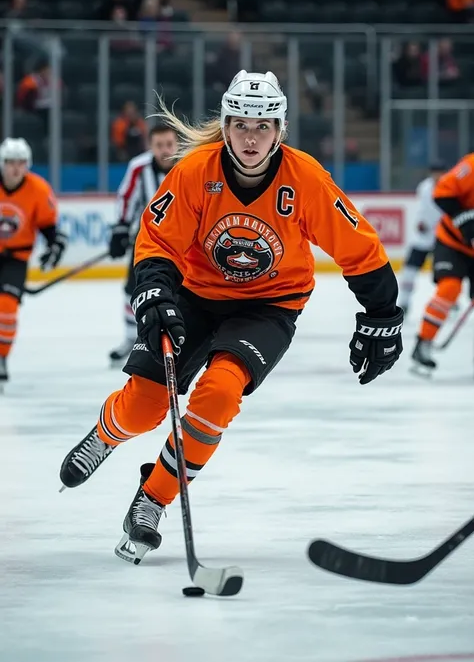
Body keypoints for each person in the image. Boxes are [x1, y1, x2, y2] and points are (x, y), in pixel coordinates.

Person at [59, 70, 403, 563]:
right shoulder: (196, 170)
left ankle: (152, 499)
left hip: (270, 304)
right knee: (144, 407)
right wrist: (154, 289)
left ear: (280, 130)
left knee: (219, 393)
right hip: (197, 295)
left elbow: (358, 247)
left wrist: (383, 313)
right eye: (241, 123)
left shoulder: (304, 178)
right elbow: (158, 240)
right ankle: (106, 434)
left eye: (263, 126)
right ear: (225, 124)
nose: (250, 136)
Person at [108, 122, 178, 366]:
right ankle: (132, 338)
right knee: (132, 288)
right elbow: (126, 198)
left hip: (185, 241)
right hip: (147, 239)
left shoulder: (189, 166)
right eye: (159, 145)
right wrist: (120, 229)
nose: (165, 150)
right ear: (151, 146)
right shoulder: (139, 168)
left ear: (177, 144)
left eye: (169, 144)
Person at [0, 137, 67, 385]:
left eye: (21, 162)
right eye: (10, 162)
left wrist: (54, 246)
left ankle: (1, 357)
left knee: (6, 309)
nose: (15, 168)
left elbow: (49, 227)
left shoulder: (38, 189)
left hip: (17, 258)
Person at [412, 153, 474, 373]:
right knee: (450, 288)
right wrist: (464, 220)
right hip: (453, 242)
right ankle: (423, 343)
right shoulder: (470, 166)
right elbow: (443, 193)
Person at [398, 160, 447, 316]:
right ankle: (404, 302)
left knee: (446, 274)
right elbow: (423, 210)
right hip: (423, 237)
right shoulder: (424, 187)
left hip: (443, 238)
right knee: (409, 271)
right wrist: (420, 223)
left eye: (439, 172)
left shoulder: (449, 186)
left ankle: (449, 303)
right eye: (434, 173)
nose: (436, 176)